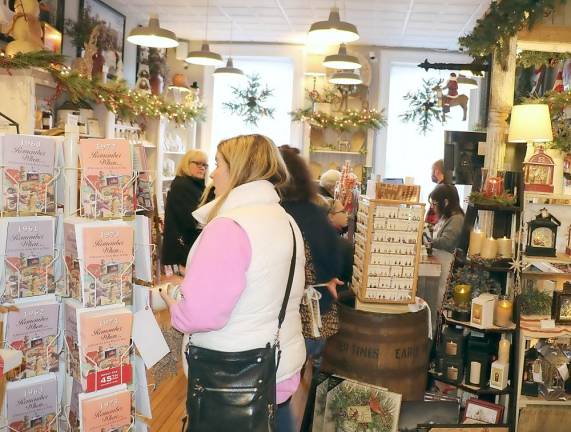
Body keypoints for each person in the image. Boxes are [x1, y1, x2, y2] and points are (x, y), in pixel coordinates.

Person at [160, 135, 306, 432]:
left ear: (238, 169)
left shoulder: (230, 226)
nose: (212, 173)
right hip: (277, 366)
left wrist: (172, 300)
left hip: (233, 377)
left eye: (218, 164)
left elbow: (201, 315)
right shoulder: (284, 219)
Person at [278, 146, 344, 431]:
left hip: (292, 319)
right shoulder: (317, 212)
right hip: (322, 318)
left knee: (277, 396)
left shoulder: (279, 216)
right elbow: (337, 256)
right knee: (304, 390)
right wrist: (326, 278)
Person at [161, 149, 208, 270]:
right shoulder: (183, 185)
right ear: (186, 164)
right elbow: (191, 219)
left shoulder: (194, 184)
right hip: (184, 246)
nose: (202, 167)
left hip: (186, 244)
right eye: (197, 163)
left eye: (204, 165)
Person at [427, 184, 465, 253]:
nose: (432, 207)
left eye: (434, 204)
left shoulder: (457, 219)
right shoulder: (447, 216)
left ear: (445, 203)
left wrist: (427, 241)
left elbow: (446, 243)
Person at [426, 159, 449, 226]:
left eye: (433, 170)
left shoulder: (442, 188)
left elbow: (438, 211)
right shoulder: (447, 186)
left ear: (437, 171)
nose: (432, 173)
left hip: (436, 225)